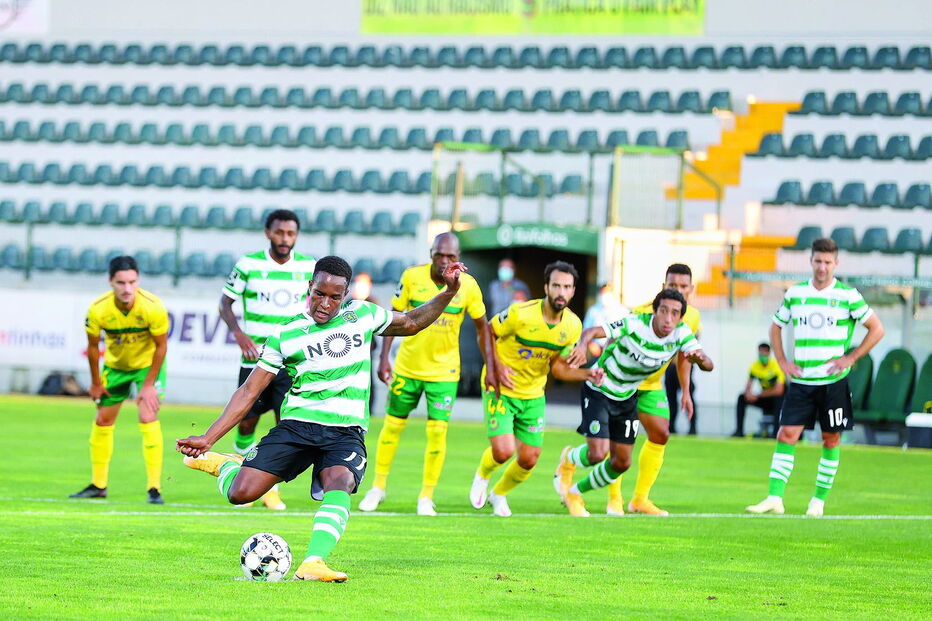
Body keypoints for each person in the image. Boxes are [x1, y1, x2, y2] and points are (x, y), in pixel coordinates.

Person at [177, 256, 468, 582]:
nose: (325, 304)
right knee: (240, 494)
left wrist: (448, 292)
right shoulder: (285, 334)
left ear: (345, 295)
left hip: (344, 432)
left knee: (340, 482)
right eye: (319, 294)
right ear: (309, 288)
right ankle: (224, 464)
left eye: (334, 296)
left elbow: (412, 322)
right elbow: (248, 391)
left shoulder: (363, 314)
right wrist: (207, 438)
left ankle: (313, 562)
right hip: (297, 427)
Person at [359, 233, 496, 516]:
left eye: (451, 257)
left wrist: (490, 367)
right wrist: (384, 358)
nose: (445, 261)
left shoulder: (468, 286)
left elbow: (483, 327)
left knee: (437, 434)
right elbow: (393, 316)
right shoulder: (411, 277)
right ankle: (378, 487)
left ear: (459, 259)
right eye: (440, 255)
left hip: (444, 372)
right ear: (431, 252)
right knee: (392, 427)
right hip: (407, 367)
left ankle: (426, 496)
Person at [747, 238, 884, 517]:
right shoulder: (795, 293)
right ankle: (775, 498)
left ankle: (818, 502)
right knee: (786, 435)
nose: (822, 267)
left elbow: (876, 329)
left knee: (830, 438)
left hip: (833, 382)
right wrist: (783, 361)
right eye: (818, 261)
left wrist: (850, 358)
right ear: (810, 261)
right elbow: (775, 327)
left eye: (827, 262)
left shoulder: (848, 295)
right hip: (802, 382)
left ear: (836, 263)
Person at [557, 289, 713, 517]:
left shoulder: (681, 334)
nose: (668, 318)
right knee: (598, 454)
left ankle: (574, 492)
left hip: (628, 396)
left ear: (681, 317)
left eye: (675, 313)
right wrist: (582, 346)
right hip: (599, 388)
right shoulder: (635, 323)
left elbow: (707, 364)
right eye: (664, 311)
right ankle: (568, 458)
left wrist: (701, 359)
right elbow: (592, 331)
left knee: (621, 462)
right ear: (655, 311)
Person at [468, 260, 600, 517]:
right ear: (546, 287)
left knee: (529, 458)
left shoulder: (572, 326)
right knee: (504, 451)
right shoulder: (520, 313)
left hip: (533, 394)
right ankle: (482, 475)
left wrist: (587, 374)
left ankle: (499, 494)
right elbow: (487, 331)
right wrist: (494, 367)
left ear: (573, 291)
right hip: (501, 387)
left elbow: (559, 369)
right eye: (557, 285)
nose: (561, 292)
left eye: (567, 287)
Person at [219, 208, 316, 511]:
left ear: (296, 235)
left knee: (283, 426)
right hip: (256, 361)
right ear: (268, 233)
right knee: (246, 423)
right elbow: (225, 303)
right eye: (279, 232)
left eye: (290, 233)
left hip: (291, 362)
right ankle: (240, 477)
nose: (285, 238)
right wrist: (240, 335)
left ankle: (269, 491)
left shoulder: (309, 268)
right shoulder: (248, 264)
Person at [587, 263, 702, 517]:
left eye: (683, 286)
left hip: (652, 386)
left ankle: (640, 500)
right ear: (664, 287)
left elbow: (685, 355)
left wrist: (686, 390)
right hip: (623, 385)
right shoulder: (641, 312)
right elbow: (612, 341)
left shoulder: (691, 316)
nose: (679, 290)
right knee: (618, 441)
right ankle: (614, 499)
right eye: (673, 285)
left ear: (691, 289)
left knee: (661, 433)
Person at [70, 256, 169, 504]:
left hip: (147, 367)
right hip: (116, 367)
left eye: (132, 282)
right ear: (110, 282)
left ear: (138, 281)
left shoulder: (153, 307)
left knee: (147, 416)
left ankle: (154, 488)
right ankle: (98, 485)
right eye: (121, 283)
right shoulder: (98, 309)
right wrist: (95, 382)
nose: (127, 289)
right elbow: (93, 348)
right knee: (103, 420)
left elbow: (161, 347)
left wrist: (147, 385)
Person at [733, 343, 785, 438]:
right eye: (760, 353)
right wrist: (748, 394)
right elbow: (748, 385)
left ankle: (775, 433)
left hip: (775, 400)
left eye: (765, 353)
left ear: (769, 353)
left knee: (779, 399)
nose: (762, 356)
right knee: (742, 398)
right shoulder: (755, 366)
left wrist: (758, 395)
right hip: (763, 398)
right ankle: (738, 431)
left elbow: (779, 390)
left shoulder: (776, 366)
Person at [581, 283, 626, 362]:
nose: (604, 296)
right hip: (597, 352)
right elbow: (585, 329)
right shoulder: (593, 310)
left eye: (607, 293)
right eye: (603, 293)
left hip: (616, 351)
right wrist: (591, 345)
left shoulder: (623, 311)